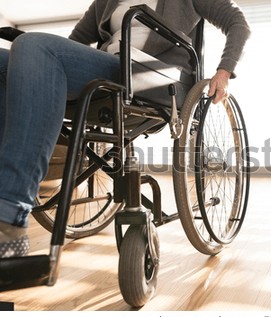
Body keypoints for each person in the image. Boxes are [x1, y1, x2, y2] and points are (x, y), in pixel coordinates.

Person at [0, 0, 250, 258]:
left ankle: (10, 215)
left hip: (155, 75)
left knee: (33, 45)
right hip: (110, 66)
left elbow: (238, 23)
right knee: (8, 58)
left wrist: (224, 72)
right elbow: (74, 43)